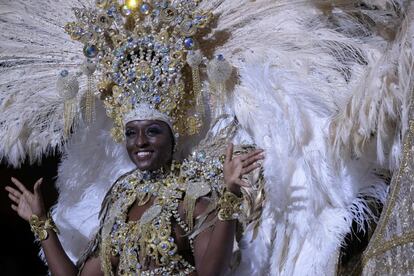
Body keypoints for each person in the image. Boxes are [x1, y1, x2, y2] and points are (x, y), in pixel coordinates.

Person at [5, 118, 264, 275]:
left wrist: (229, 194)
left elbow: (211, 273)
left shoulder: (190, 197)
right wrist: (40, 224)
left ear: (171, 138)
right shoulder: (119, 205)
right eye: (131, 132)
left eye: (152, 131)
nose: (140, 141)